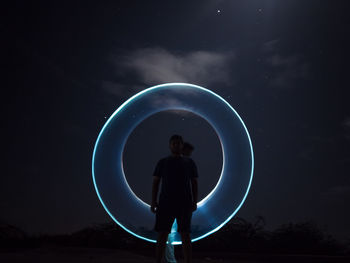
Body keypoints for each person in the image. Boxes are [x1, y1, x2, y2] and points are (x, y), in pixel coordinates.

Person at [151, 135, 198, 263]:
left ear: (182, 145)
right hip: (165, 203)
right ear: (170, 145)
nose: (176, 145)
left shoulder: (189, 162)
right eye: (173, 143)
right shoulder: (163, 162)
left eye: (178, 143)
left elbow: (194, 182)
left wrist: (195, 201)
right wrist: (153, 201)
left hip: (184, 203)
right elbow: (156, 182)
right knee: (162, 233)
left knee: (185, 234)